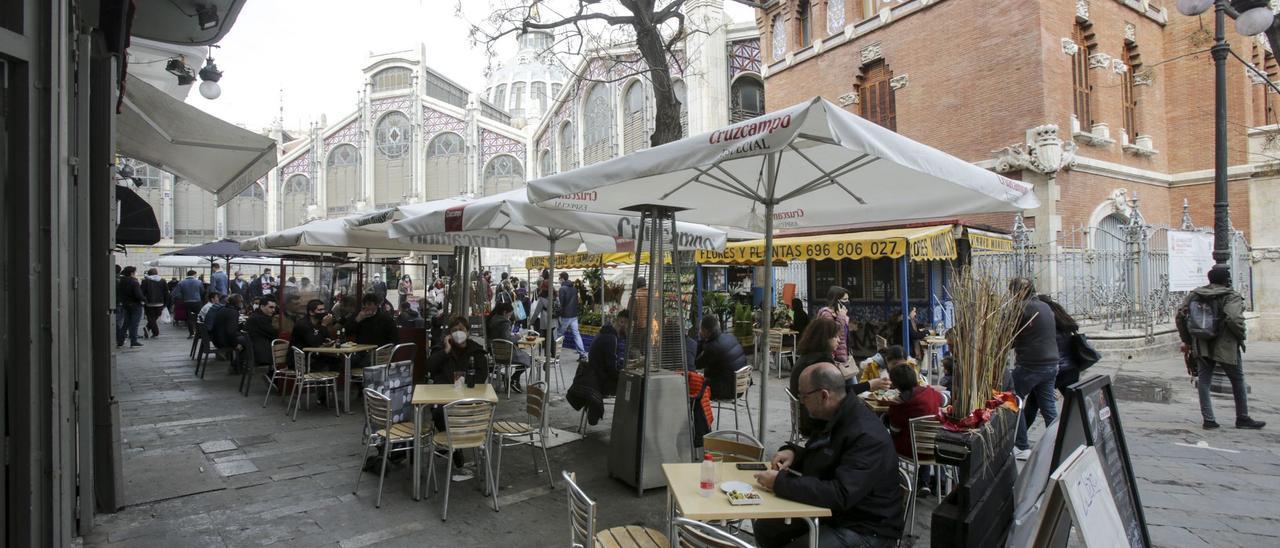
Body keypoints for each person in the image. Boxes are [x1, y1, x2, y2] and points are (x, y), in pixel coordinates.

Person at [752, 363, 903, 547]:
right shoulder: (835, 416)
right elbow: (826, 455)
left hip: (868, 528)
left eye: (804, 396)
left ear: (823, 395)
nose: (801, 401)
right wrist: (795, 454)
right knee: (767, 527)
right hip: (838, 513)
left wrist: (779, 483)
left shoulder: (865, 434)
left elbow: (840, 494)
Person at [1176, 265, 1265, 430]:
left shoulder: (1195, 295)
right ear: (1226, 280)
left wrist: (1188, 340)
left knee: (1204, 381)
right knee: (1237, 380)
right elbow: (1233, 318)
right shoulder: (1231, 296)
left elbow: (1180, 316)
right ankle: (1242, 417)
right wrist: (1240, 334)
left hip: (1201, 343)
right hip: (1225, 344)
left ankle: (1209, 420)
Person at [793, 317, 890, 436]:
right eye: (835, 337)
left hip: (807, 416)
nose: (839, 341)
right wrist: (870, 385)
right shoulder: (821, 361)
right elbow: (840, 393)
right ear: (824, 338)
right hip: (818, 421)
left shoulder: (807, 356)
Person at [423, 315, 490, 480]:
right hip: (444, 398)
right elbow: (429, 367)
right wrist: (445, 351)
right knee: (439, 413)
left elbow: (482, 375)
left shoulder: (476, 350)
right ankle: (455, 449)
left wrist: (467, 383)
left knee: (464, 414)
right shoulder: (441, 348)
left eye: (461, 329)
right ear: (449, 333)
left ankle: (451, 446)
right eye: (454, 330)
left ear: (467, 332)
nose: (458, 333)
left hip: (467, 398)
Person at [1008, 277, 1061, 460]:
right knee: (1048, 407)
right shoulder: (1044, 306)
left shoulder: (1020, 307)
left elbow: (1007, 334)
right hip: (1052, 363)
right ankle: (1060, 443)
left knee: (1014, 399)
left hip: (1031, 364)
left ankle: (1021, 445)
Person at [885, 361, 945, 497]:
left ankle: (894, 481)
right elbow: (944, 400)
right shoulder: (930, 393)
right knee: (922, 438)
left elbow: (895, 431)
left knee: (888, 437)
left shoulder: (898, 405)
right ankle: (924, 482)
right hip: (935, 448)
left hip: (910, 450)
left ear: (896, 385)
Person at [695, 315, 747, 400]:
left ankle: (701, 413)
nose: (700, 331)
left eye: (701, 329)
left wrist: (700, 340)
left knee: (695, 386)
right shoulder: (730, 337)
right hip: (740, 388)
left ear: (706, 331)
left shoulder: (712, 347)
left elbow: (696, 364)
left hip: (727, 390)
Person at [486, 302, 533, 393]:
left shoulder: (492, 320)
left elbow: (502, 336)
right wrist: (518, 336)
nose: (510, 316)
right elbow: (507, 339)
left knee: (524, 356)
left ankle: (514, 380)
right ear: (504, 312)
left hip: (495, 354)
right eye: (510, 314)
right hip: (507, 354)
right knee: (529, 358)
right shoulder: (504, 323)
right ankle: (514, 379)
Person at [586, 309, 629, 395]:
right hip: (600, 381)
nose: (630, 329)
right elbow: (612, 369)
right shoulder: (610, 338)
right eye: (630, 326)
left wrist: (627, 364)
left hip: (597, 375)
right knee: (632, 384)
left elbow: (611, 361)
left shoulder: (607, 332)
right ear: (621, 321)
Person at [815, 286, 851, 364]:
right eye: (844, 299)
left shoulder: (840, 313)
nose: (847, 302)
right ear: (836, 300)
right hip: (832, 357)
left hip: (843, 356)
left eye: (848, 299)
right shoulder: (826, 314)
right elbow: (833, 333)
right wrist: (841, 318)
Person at [242, 297, 279, 371]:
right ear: (262, 306)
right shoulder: (260, 319)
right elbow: (275, 334)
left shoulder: (256, 315)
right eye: (271, 307)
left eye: (274, 308)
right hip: (263, 354)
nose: (273, 310)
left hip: (257, 350)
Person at [116, 266, 146, 348]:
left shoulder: (122, 281)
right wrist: (144, 299)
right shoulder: (134, 282)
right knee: (134, 324)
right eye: (135, 272)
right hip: (135, 305)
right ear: (132, 273)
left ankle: (120, 341)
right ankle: (134, 341)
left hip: (126, 304)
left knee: (126, 323)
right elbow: (138, 294)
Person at [557, 272, 585, 353]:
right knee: (576, 334)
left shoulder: (562, 289)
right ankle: (582, 353)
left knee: (559, 334)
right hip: (574, 314)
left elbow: (561, 303)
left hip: (565, 315)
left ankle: (555, 353)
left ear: (562, 278)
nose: (559, 280)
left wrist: (558, 312)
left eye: (559, 278)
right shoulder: (574, 288)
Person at [175, 269, 205, 337]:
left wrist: (183, 296)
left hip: (186, 301)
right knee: (198, 317)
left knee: (189, 318)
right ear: (194, 274)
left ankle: (191, 333)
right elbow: (202, 291)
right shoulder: (199, 282)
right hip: (197, 301)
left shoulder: (181, 283)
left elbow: (176, 294)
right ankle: (199, 332)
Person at [141, 268, 168, 338]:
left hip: (149, 302)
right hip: (160, 302)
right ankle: (154, 331)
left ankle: (150, 329)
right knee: (155, 316)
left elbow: (142, 292)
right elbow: (166, 292)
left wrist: (143, 300)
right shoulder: (162, 281)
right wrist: (166, 302)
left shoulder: (145, 281)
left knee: (150, 317)